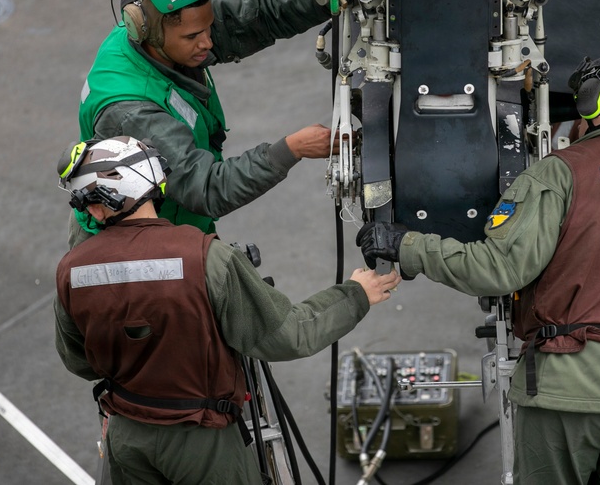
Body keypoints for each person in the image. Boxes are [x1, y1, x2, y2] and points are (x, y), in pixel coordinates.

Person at [357, 56, 600, 484]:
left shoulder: (562, 171)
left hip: (568, 389)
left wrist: (405, 245)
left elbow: (500, 269)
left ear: (598, 102)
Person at [54, 136, 401, 484]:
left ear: (102, 204)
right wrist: (356, 295)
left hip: (127, 439)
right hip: (201, 441)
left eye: (88, 203)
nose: (87, 212)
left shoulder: (72, 271)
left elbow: (78, 362)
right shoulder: (205, 257)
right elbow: (290, 336)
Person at [72, 0, 334, 247]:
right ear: (145, 29)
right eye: (194, 36)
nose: (208, 42)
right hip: (137, 251)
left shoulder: (166, 32)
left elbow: (259, 13)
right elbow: (207, 188)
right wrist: (291, 149)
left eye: (208, 27)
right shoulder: (133, 111)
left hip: (179, 225)